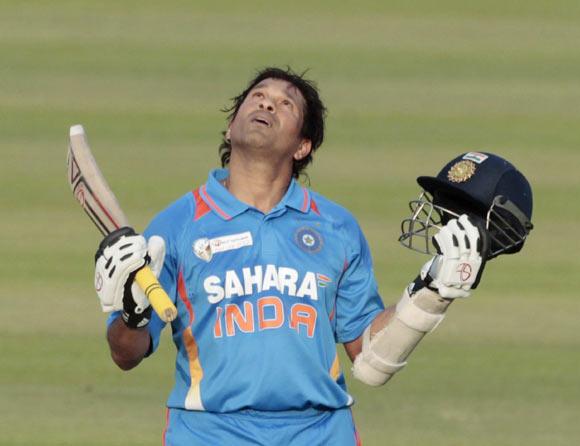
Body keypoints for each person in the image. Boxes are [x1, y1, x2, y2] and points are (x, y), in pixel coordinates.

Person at [94, 67, 533, 445]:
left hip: (320, 431)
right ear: (230, 127)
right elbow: (126, 355)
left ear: (303, 146)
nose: (266, 105)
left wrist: (434, 292)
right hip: (210, 432)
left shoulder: (336, 227)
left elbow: (369, 359)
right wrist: (131, 315)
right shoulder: (177, 225)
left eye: (284, 104)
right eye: (258, 97)